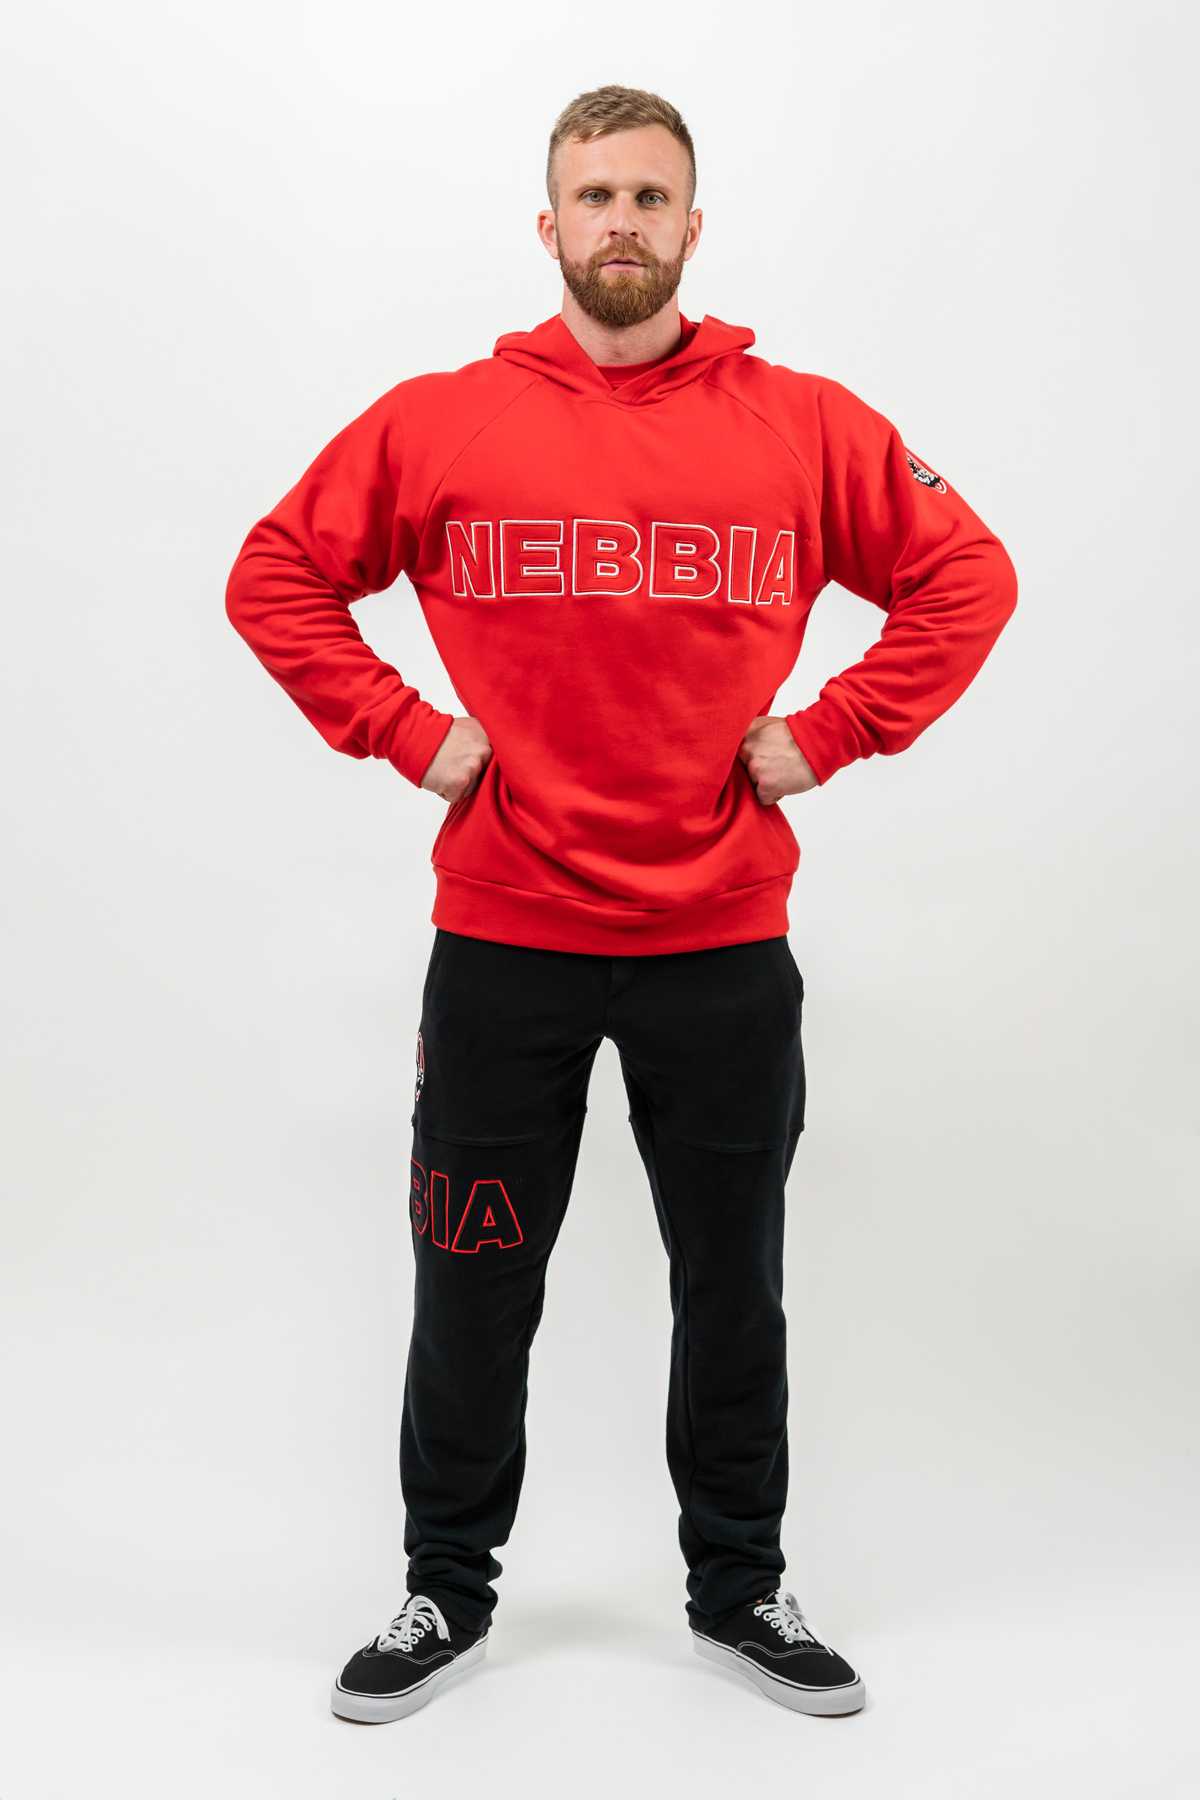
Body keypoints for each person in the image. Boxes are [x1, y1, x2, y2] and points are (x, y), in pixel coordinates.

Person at [224, 83, 1018, 1725]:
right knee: (471, 1282)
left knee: (733, 1286)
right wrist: (410, 733)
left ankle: (741, 1585)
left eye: (652, 196)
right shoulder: (443, 421)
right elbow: (277, 574)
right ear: (549, 224)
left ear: (693, 226)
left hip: (721, 943)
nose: (623, 222)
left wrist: (832, 732)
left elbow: (966, 574)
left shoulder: (802, 423)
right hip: (503, 938)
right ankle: (445, 1587)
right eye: (595, 196)